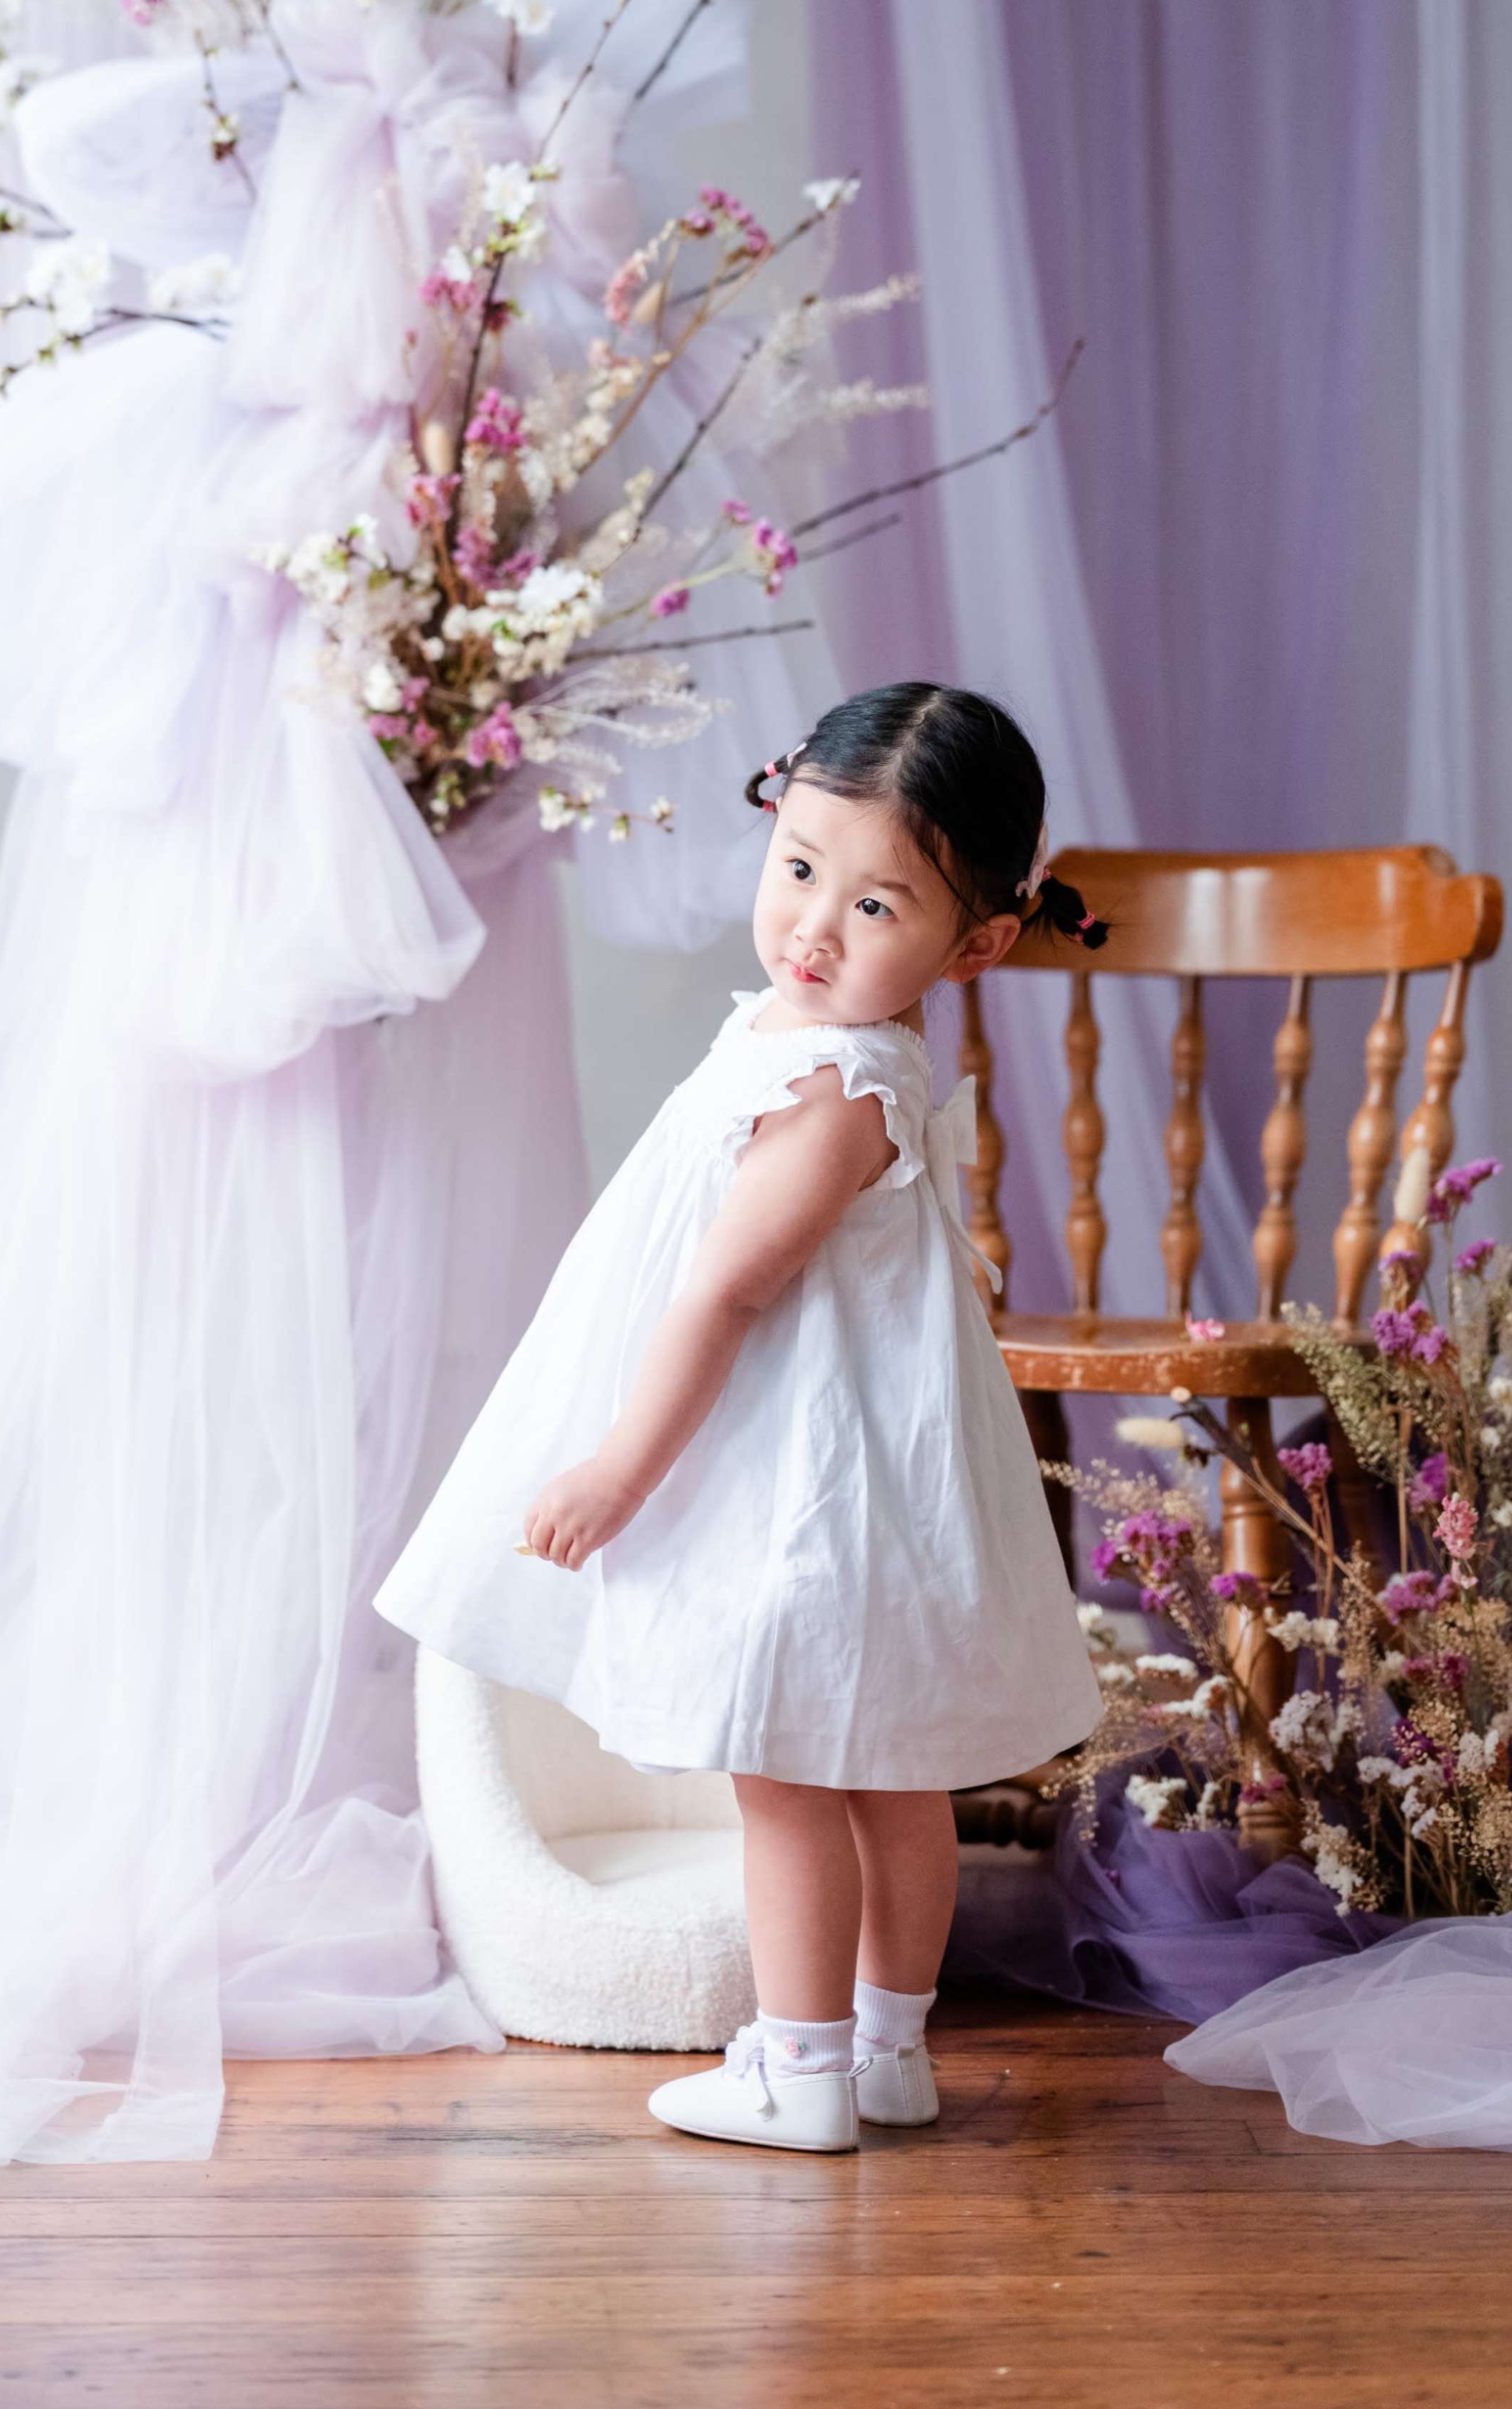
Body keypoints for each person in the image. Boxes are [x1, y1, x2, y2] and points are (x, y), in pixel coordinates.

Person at [378, 681, 1105, 2154]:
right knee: (890, 1778)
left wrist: (615, 1472)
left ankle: (802, 2064)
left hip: (804, 1491)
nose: (816, 927)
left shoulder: (840, 1081)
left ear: (979, 940)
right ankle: (889, 2050)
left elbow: (720, 1295)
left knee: (786, 1782)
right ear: (773, 820)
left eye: (878, 902)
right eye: (798, 868)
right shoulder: (813, 1033)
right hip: (865, 1480)